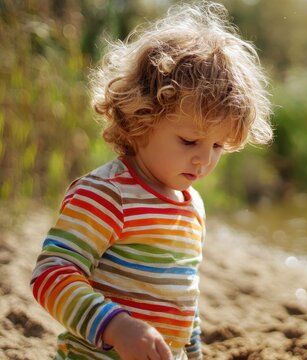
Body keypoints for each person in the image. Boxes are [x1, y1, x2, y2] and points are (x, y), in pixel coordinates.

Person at [30, 2, 273, 359]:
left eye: (217, 145)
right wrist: (116, 326)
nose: (204, 159)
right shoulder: (106, 195)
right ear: (139, 119)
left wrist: (191, 353)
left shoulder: (192, 206)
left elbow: (182, 301)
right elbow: (51, 274)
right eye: (189, 141)